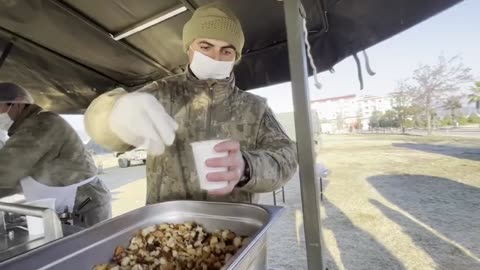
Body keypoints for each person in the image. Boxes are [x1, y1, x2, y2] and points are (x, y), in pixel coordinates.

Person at [85, 2, 298, 204]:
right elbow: (102, 131)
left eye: (226, 51)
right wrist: (114, 114)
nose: (216, 56)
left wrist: (247, 167)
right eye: (206, 46)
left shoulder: (255, 108)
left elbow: (286, 157)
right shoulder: (161, 92)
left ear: (236, 57)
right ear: (189, 49)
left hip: (234, 229)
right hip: (170, 230)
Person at [0, 82, 111, 227]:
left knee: (93, 247)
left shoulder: (40, 125)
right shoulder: (27, 128)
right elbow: (16, 180)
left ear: (17, 104)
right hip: (72, 205)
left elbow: (7, 169)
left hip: (84, 205)